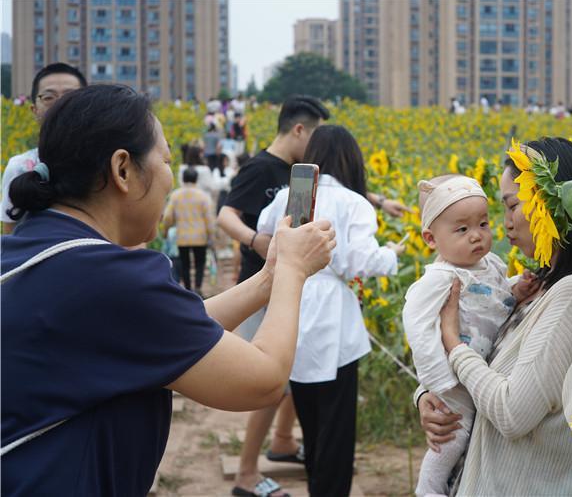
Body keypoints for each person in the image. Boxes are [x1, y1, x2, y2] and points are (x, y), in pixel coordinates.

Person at [1, 84, 336, 495]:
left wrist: (270, 277)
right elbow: (263, 380)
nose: (169, 178)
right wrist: (295, 272)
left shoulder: (37, 251)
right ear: (122, 169)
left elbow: (171, 330)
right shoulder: (110, 276)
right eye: (164, 160)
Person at [218, 95, 407, 497]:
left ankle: (315, 483)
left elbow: (270, 232)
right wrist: (392, 256)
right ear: (351, 160)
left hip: (293, 306)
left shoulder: (289, 195)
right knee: (337, 427)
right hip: (335, 322)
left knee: (308, 412)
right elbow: (357, 261)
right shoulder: (354, 203)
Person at [416, 138, 572, 496]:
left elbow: (512, 414)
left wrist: (453, 345)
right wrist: (427, 396)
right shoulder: (542, 282)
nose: (504, 223)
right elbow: (483, 343)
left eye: (512, 205)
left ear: (551, 203)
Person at [403, 175, 537, 496]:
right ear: (431, 239)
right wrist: (436, 382)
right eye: (462, 230)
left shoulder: (490, 264)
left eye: (483, 224)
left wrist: (516, 288)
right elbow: (416, 324)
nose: (476, 236)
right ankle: (428, 489)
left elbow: (496, 297)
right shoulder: (441, 277)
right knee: (452, 438)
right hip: (454, 377)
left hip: (478, 371)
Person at [1, 62, 87, 234]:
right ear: (34, 110)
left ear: (87, 105)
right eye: (48, 97)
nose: (60, 104)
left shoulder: (107, 162)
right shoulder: (20, 167)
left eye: (70, 96)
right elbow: (11, 240)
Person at [162, 167, 215, 297]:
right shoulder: (203, 196)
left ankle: (188, 290)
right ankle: (198, 287)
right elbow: (209, 218)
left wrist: (166, 231)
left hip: (183, 236)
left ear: (183, 178)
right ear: (196, 179)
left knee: (185, 264)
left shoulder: (176, 195)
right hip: (200, 236)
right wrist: (211, 235)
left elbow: (168, 216)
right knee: (200, 263)